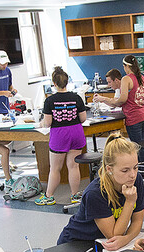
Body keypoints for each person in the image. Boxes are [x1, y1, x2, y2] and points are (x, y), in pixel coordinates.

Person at [57, 133, 144, 249]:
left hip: (103, 242)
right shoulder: (95, 193)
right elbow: (114, 235)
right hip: (77, 243)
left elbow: (137, 222)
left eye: (135, 167)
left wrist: (126, 239)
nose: (133, 175)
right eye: (125, 170)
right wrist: (130, 202)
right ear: (109, 169)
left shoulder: (135, 180)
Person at [37, 67, 88, 207]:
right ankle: (75, 195)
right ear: (67, 82)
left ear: (54, 83)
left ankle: (49, 196)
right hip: (76, 133)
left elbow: (47, 123)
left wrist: (40, 123)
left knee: (55, 168)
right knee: (73, 166)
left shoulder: (50, 100)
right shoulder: (76, 97)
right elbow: (83, 118)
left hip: (59, 135)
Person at [93, 57, 144, 163]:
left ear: (127, 66)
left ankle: (142, 171)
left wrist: (105, 99)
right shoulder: (142, 78)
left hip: (133, 118)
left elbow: (121, 100)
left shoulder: (126, 79)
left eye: (124, 66)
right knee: (142, 144)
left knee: (137, 146)